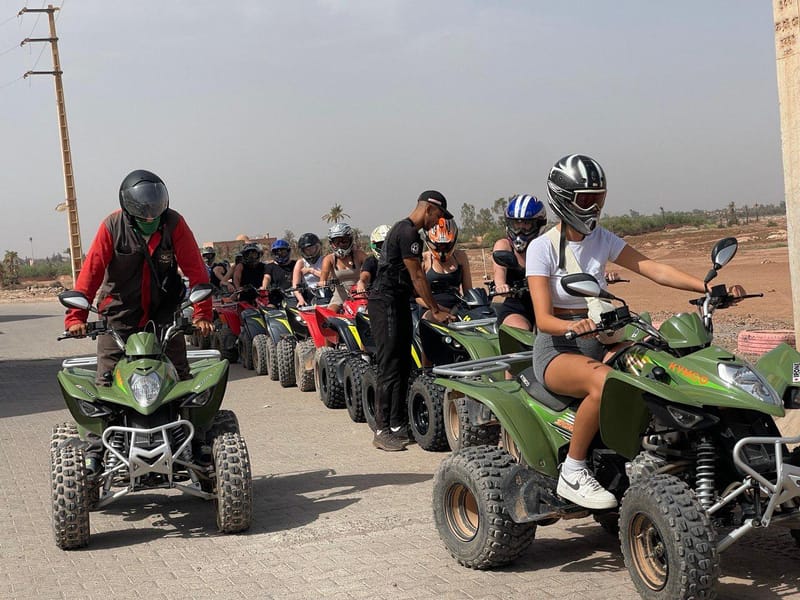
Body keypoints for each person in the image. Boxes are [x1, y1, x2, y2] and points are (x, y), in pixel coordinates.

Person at [526, 154, 746, 509]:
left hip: (603, 338)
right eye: (586, 199)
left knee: (664, 363)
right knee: (606, 383)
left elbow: (652, 268)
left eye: (599, 198)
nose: (594, 207)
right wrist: (573, 325)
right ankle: (573, 469)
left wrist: (706, 288)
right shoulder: (542, 248)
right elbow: (543, 317)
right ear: (564, 199)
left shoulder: (602, 238)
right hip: (559, 348)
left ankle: (673, 453)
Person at [64, 169, 213, 387]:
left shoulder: (174, 223)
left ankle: (185, 409)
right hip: (119, 313)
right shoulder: (112, 226)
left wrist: (202, 315)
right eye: (144, 211)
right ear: (129, 208)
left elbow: (197, 271)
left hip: (165, 311)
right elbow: (91, 273)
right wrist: (76, 318)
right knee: (106, 382)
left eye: (155, 209)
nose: (150, 216)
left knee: (180, 378)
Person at [368, 190, 454, 451]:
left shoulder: (405, 231)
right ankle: (382, 430)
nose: (438, 222)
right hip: (385, 303)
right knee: (389, 365)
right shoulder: (407, 233)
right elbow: (417, 276)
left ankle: (397, 424)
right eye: (438, 216)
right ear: (428, 209)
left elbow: (410, 280)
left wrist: (434, 305)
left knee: (404, 364)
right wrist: (435, 309)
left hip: (398, 302)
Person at [492, 194, 548, 330]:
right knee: (519, 330)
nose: (520, 230)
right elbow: (499, 271)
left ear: (539, 224)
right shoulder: (504, 245)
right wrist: (501, 285)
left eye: (527, 224)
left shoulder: (548, 246)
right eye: (516, 224)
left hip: (548, 305)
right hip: (517, 307)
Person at [417, 218, 472, 315]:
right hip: (432, 310)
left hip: (457, 309)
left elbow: (468, 292)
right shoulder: (423, 260)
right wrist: (440, 310)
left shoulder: (460, 257)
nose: (442, 249)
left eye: (446, 245)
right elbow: (417, 296)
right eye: (438, 245)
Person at [319, 223, 369, 313]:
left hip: (360, 295)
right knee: (329, 315)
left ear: (350, 240)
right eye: (337, 242)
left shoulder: (359, 255)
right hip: (339, 297)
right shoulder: (329, 259)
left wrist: (362, 281)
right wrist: (322, 282)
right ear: (331, 243)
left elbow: (369, 268)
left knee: (367, 314)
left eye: (344, 241)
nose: (341, 244)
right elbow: (323, 276)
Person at [261, 239, 297, 306]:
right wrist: (264, 287)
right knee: (269, 308)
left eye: (283, 252)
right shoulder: (269, 266)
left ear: (288, 252)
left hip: (295, 296)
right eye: (277, 253)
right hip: (276, 297)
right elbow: (267, 277)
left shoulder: (296, 264)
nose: (280, 255)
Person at [292, 232, 324, 306]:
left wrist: (311, 271)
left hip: (325, 294)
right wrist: (301, 300)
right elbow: (295, 286)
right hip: (308, 296)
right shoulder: (300, 263)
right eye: (307, 249)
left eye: (312, 248)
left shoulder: (324, 260)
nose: (310, 251)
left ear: (317, 247)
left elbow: (328, 277)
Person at [357, 224, 389, 293]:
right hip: (378, 294)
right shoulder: (370, 261)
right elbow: (365, 274)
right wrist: (362, 282)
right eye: (381, 245)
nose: (384, 248)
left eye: (388, 244)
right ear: (373, 245)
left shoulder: (402, 260)